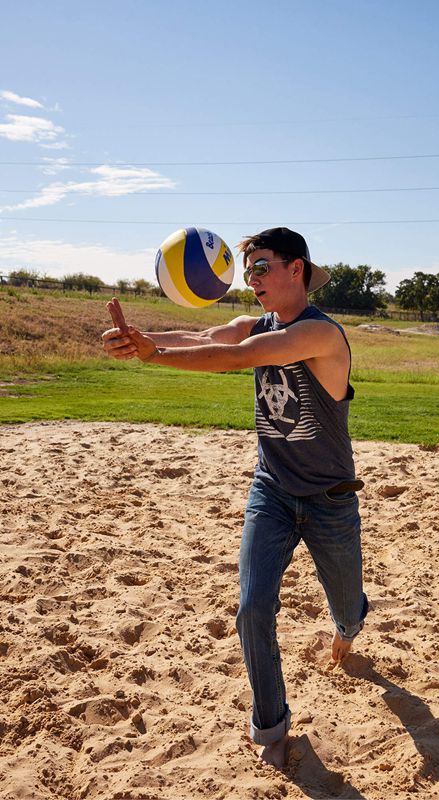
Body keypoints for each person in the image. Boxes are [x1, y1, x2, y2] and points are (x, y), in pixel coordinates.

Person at [101, 227, 368, 770]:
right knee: (251, 608)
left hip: (330, 500)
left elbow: (239, 357)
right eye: (249, 271)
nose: (253, 279)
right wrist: (144, 338)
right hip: (271, 490)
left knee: (346, 607)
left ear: (297, 270)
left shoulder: (321, 335)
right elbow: (208, 338)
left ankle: (347, 625)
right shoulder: (258, 323)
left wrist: (153, 357)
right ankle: (271, 723)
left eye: (262, 267)